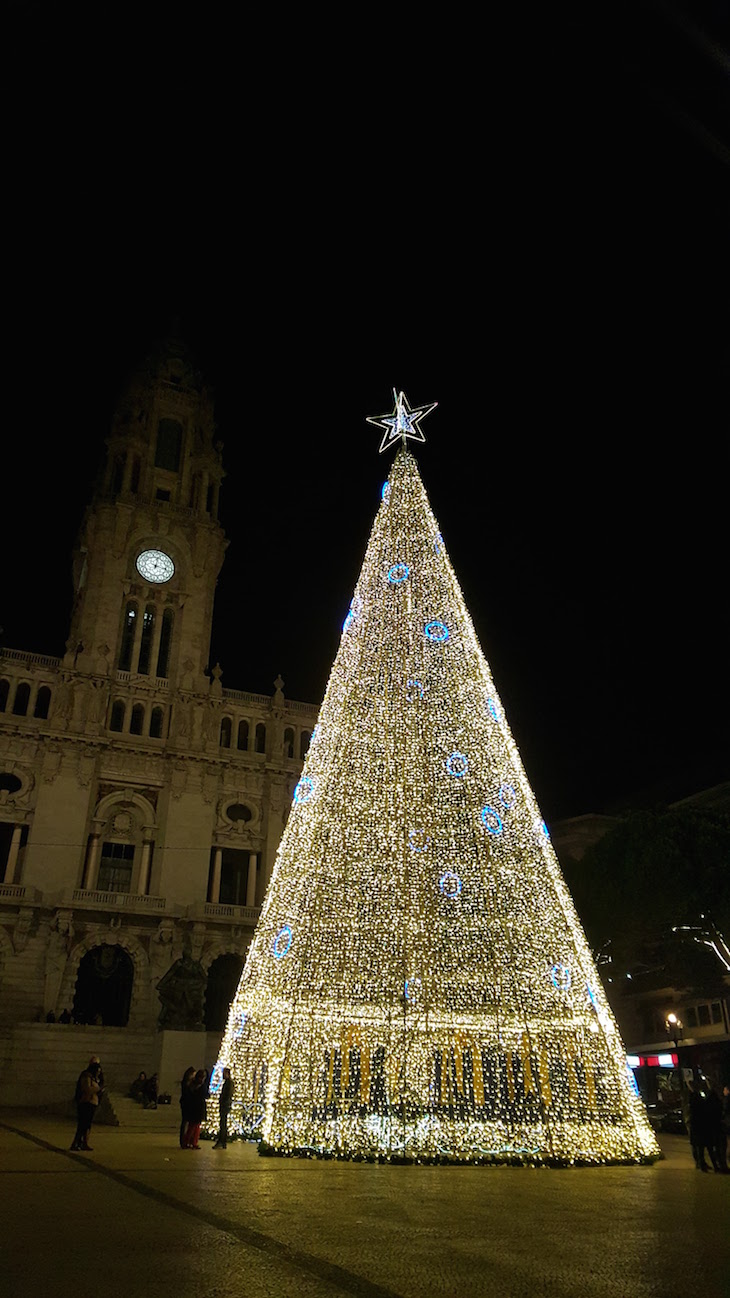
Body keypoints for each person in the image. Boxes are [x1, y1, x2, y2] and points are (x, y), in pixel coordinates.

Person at [71, 1057, 101, 1151]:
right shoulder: (86, 1076)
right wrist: (98, 1089)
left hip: (92, 1103)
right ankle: (76, 1143)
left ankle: (84, 1143)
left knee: (87, 1125)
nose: (99, 1072)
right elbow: (87, 1089)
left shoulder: (94, 1078)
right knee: (82, 1124)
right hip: (86, 1102)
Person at [687, 1080, 711, 1171]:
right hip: (698, 1126)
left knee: (697, 1145)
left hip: (697, 1126)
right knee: (698, 1146)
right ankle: (700, 1163)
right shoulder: (696, 1099)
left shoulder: (694, 1099)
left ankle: (700, 1163)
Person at [183, 1069, 209, 1149]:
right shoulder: (201, 1086)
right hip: (198, 1108)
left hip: (193, 1108)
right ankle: (193, 1142)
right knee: (196, 1127)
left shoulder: (192, 1085)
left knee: (191, 1126)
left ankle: (187, 1142)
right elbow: (205, 1095)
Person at [705, 1085, 727, 1173]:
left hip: (711, 1128)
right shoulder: (718, 1103)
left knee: (713, 1148)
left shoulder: (707, 1104)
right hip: (718, 1127)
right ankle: (722, 1165)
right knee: (720, 1147)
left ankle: (717, 1165)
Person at [212, 1068, 233, 1149]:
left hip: (225, 1105)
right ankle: (223, 1142)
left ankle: (221, 1141)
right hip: (225, 1105)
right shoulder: (228, 1082)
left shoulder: (229, 1083)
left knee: (223, 1124)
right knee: (223, 1123)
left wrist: (222, 1101)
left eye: (224, 1073)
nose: (222, 1075)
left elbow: (227, 1094)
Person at [179, 1066, 195, 1148]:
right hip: (186, 1104)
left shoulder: (187, 1083)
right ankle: (183, 1141)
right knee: (184, 1122)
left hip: (187, 1103)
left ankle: (185, 1140)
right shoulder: (186, 1083)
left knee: (185, 1123)